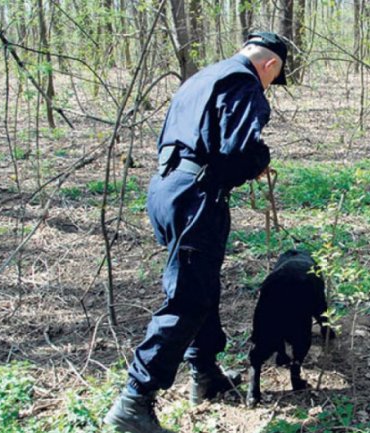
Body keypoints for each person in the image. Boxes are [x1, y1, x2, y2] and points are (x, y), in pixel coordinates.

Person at [104, 32, 287, 433]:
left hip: (167, 189)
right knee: (188, 297)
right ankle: (133, 401)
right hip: (196, 197)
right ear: (270, 65)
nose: (271, 85)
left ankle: (204, 374)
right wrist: (260, 159)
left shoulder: (202, 77)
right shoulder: (244, 82)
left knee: (200, 285)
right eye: (275, 78)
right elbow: (239, 151)